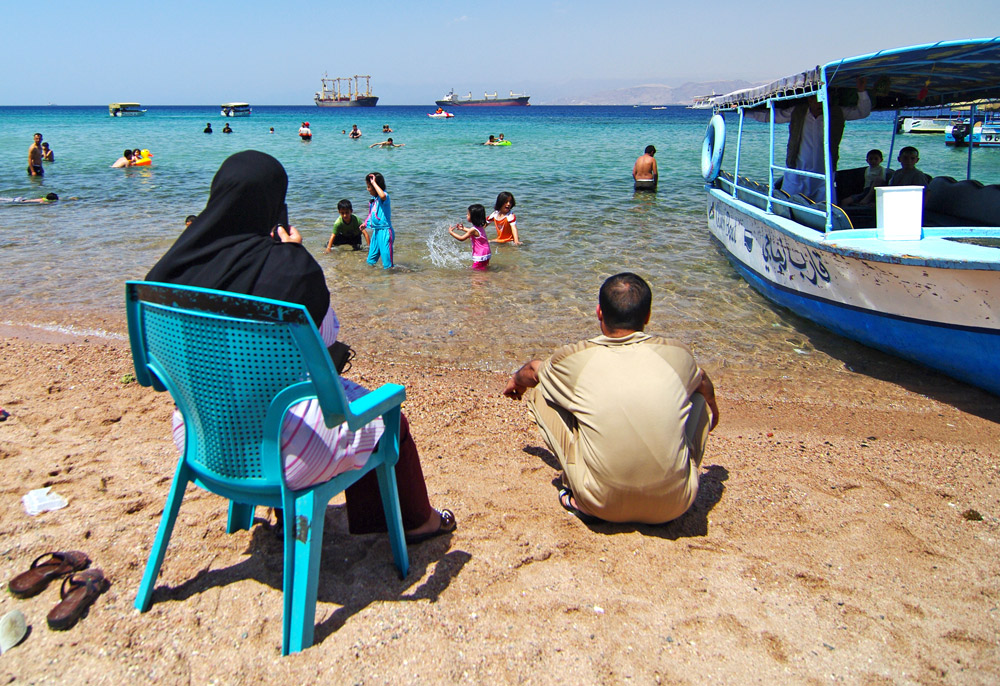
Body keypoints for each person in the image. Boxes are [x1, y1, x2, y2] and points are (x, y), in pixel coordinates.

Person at [145, 150, 455, 543]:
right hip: (283, 454)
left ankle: (277, 514)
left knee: (257, 383)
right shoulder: (289, 269)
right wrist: (293, 255)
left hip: (199, 436)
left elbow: (158, 378)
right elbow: (325, 343)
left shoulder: (169, 272)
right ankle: (418, 522)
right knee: (390, 419)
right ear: (276, 204)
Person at [503, 272, 719, 524]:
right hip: (675, 505)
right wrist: (714, 410)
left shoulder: (575, 359)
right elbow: (703, 380)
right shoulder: (678, 355)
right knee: (698, 395)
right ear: (648, 316)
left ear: (599, 313)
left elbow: (533, 370)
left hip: (600, 504)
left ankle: (576, 497)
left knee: (542, 390)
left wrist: (516, 381)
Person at [748, 77, 870, 202]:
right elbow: (771, 116)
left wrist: (861, 91)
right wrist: (743, 112)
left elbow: (862, 112)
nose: (820, 103)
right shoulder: (798, 112)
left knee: (825, 207)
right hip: (797, 171)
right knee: (789, 203)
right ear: (810, 99)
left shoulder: (836, 113)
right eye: (816, 99)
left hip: (824, 172)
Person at [361, 172, 393, 269]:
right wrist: (365, 223)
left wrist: (374, 183)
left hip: (385, 231)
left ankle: (390, 280)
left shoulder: (384, 197)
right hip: (376, 231)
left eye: (369, 187)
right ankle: (374, 280)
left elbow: (382, 195)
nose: (367, 189)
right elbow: (372, 214)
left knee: (387, 264)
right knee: (370, 261)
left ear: (376, 186)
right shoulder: (373, 200)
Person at [448, 203, 491, 270]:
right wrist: (463, 228)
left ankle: (479, 279)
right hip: (486, 252)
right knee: (483, 268)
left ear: (473, 217)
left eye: (468, 214)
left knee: (475, 272)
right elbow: (474, 233)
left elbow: (461, 238)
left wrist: (451, 233)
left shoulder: (473, 230)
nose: (466, 215)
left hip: (480, 255)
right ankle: (484, 278)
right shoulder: (480, 227)